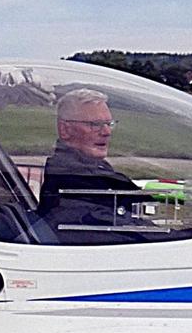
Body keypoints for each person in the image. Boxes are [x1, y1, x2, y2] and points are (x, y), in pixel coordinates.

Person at [38, 88, 147, 242]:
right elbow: (130, 233)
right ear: (65, 129)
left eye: (109, 123)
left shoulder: (94, 167)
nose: (106, 132)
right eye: (95, 124)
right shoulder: (73, 178)